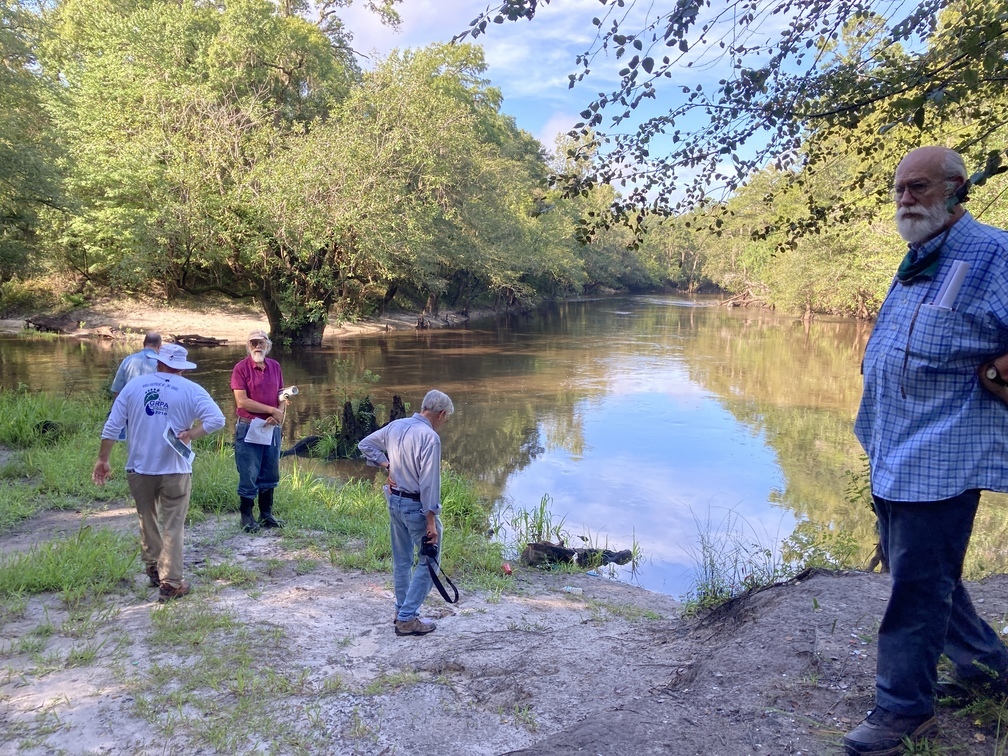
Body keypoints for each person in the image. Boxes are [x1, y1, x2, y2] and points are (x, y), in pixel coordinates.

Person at [846, 145, 1008, 755]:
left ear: (956, 190)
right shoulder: (918, 255)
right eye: (899, 190)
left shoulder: (994, 252)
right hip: (892, 443)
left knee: (916, 583)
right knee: (919, 568)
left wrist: (997, 375)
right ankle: (988, 667)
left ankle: (903, 709)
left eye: (918, 188)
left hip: (943, 451)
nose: (906, 199)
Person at [93, 343, 225, 602]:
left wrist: (102, 460)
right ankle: (172, 582)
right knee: (173, 525)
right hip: (175, 469)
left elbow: (112, 426)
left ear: (158, 363)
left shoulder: (133, 387)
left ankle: (154, 568)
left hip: (139, 468)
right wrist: (191, 435)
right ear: (182, 369)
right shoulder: (191, 389)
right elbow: (217, 420)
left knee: (147, 518)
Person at [358, 389, 454, 637]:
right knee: (429, 560)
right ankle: (407, 618)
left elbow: (365, 444)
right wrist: (431, 520)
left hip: (394, 502)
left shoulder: (396, 426)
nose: (444, 423)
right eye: (446, 419)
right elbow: (429, 483)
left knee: (402, 560)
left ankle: (401, 610)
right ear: (441, 414)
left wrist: (387, 464)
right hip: (415, 507)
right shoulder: (429, 438)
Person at [231, 329, 287, 533]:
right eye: (253, 343)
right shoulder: (240, 368)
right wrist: (271, 410)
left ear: (267, 345)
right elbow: (242, 401)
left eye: (261, 343)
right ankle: (246, 517)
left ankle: (266, 514)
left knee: (270, 471)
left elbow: (282, 394)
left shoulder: (275, 366)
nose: (257, 346)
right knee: (249, 471)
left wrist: (279, 413)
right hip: (249, 426)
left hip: (272, 426)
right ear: (248, 346)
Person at [110, 332, 161, 398]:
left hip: (129, 403)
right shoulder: (160, 363)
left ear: (143, 344)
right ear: (159, 346)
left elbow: (117, 390)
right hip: (150, 403)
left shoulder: (128, 360)